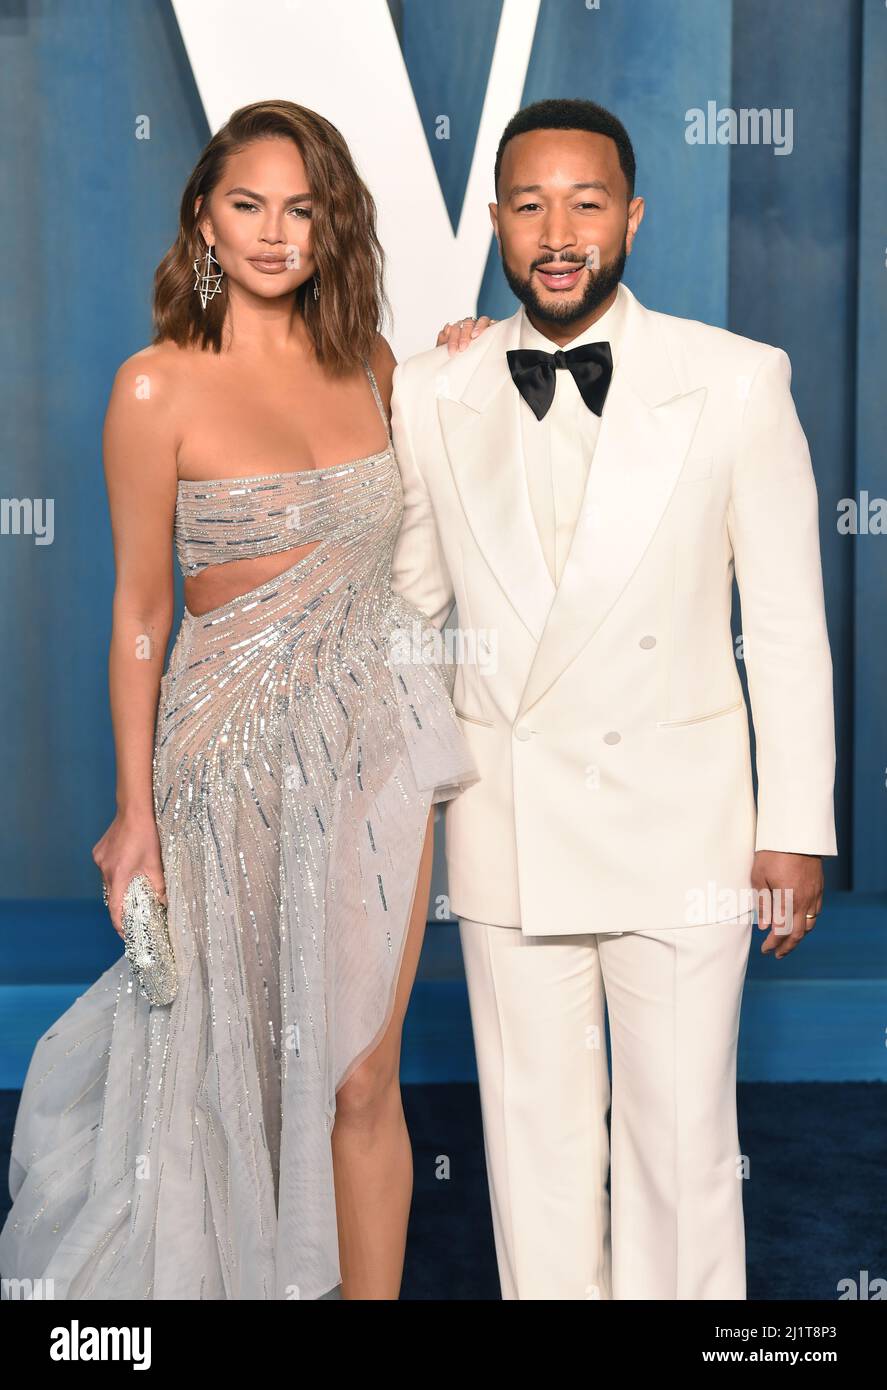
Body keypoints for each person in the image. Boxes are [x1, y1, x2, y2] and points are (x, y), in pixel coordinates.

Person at [0, 99, 494, 1302]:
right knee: (231, 1069)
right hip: (221, 765)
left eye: (303, 208)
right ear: (205, 225)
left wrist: (476, 359)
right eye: (247, 206)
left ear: (332, 224)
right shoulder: (154, 389)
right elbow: (139, 611)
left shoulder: (375, 363)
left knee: (361, 1077)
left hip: (378, 742)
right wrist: (134, 813)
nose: (275, 233)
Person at [389, 97, 837, 1300]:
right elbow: (406, 607)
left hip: (680, 825)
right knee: (529, 1153)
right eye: (529, 204)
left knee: (680, 1150)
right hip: (506, 822)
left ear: (630, 215)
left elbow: (786, 622)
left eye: (585, 202)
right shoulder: (433, 388)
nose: (557, 230)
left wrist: (792, 829)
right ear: (492, 222)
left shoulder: (736, 381)